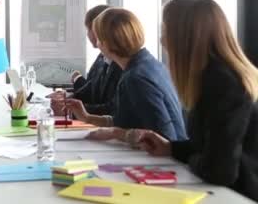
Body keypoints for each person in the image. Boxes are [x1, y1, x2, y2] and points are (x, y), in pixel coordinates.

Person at [137, 0, 258, 201]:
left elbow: (220, 171)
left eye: (166, 30)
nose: (162, 40)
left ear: (185, 36)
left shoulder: (222, 82)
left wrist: (192, 160)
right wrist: (171, 148)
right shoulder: (213, 75)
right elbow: (212, 146)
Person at [60, 8, 187, 141]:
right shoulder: (148, 63)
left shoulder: (136, 78)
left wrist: (116, 133)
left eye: (98, 39)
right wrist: (87, 117)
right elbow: (125, 120)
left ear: (106, 43)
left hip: (164, 160)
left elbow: (164, 137)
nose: (97, 44)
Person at [54, 5, 122, 116]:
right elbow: (92, 90)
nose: (88, 35)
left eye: (88, 29)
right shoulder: (103, 57)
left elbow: (113, 109)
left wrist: (70, 110)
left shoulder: (121, 64)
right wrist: (67, 98)